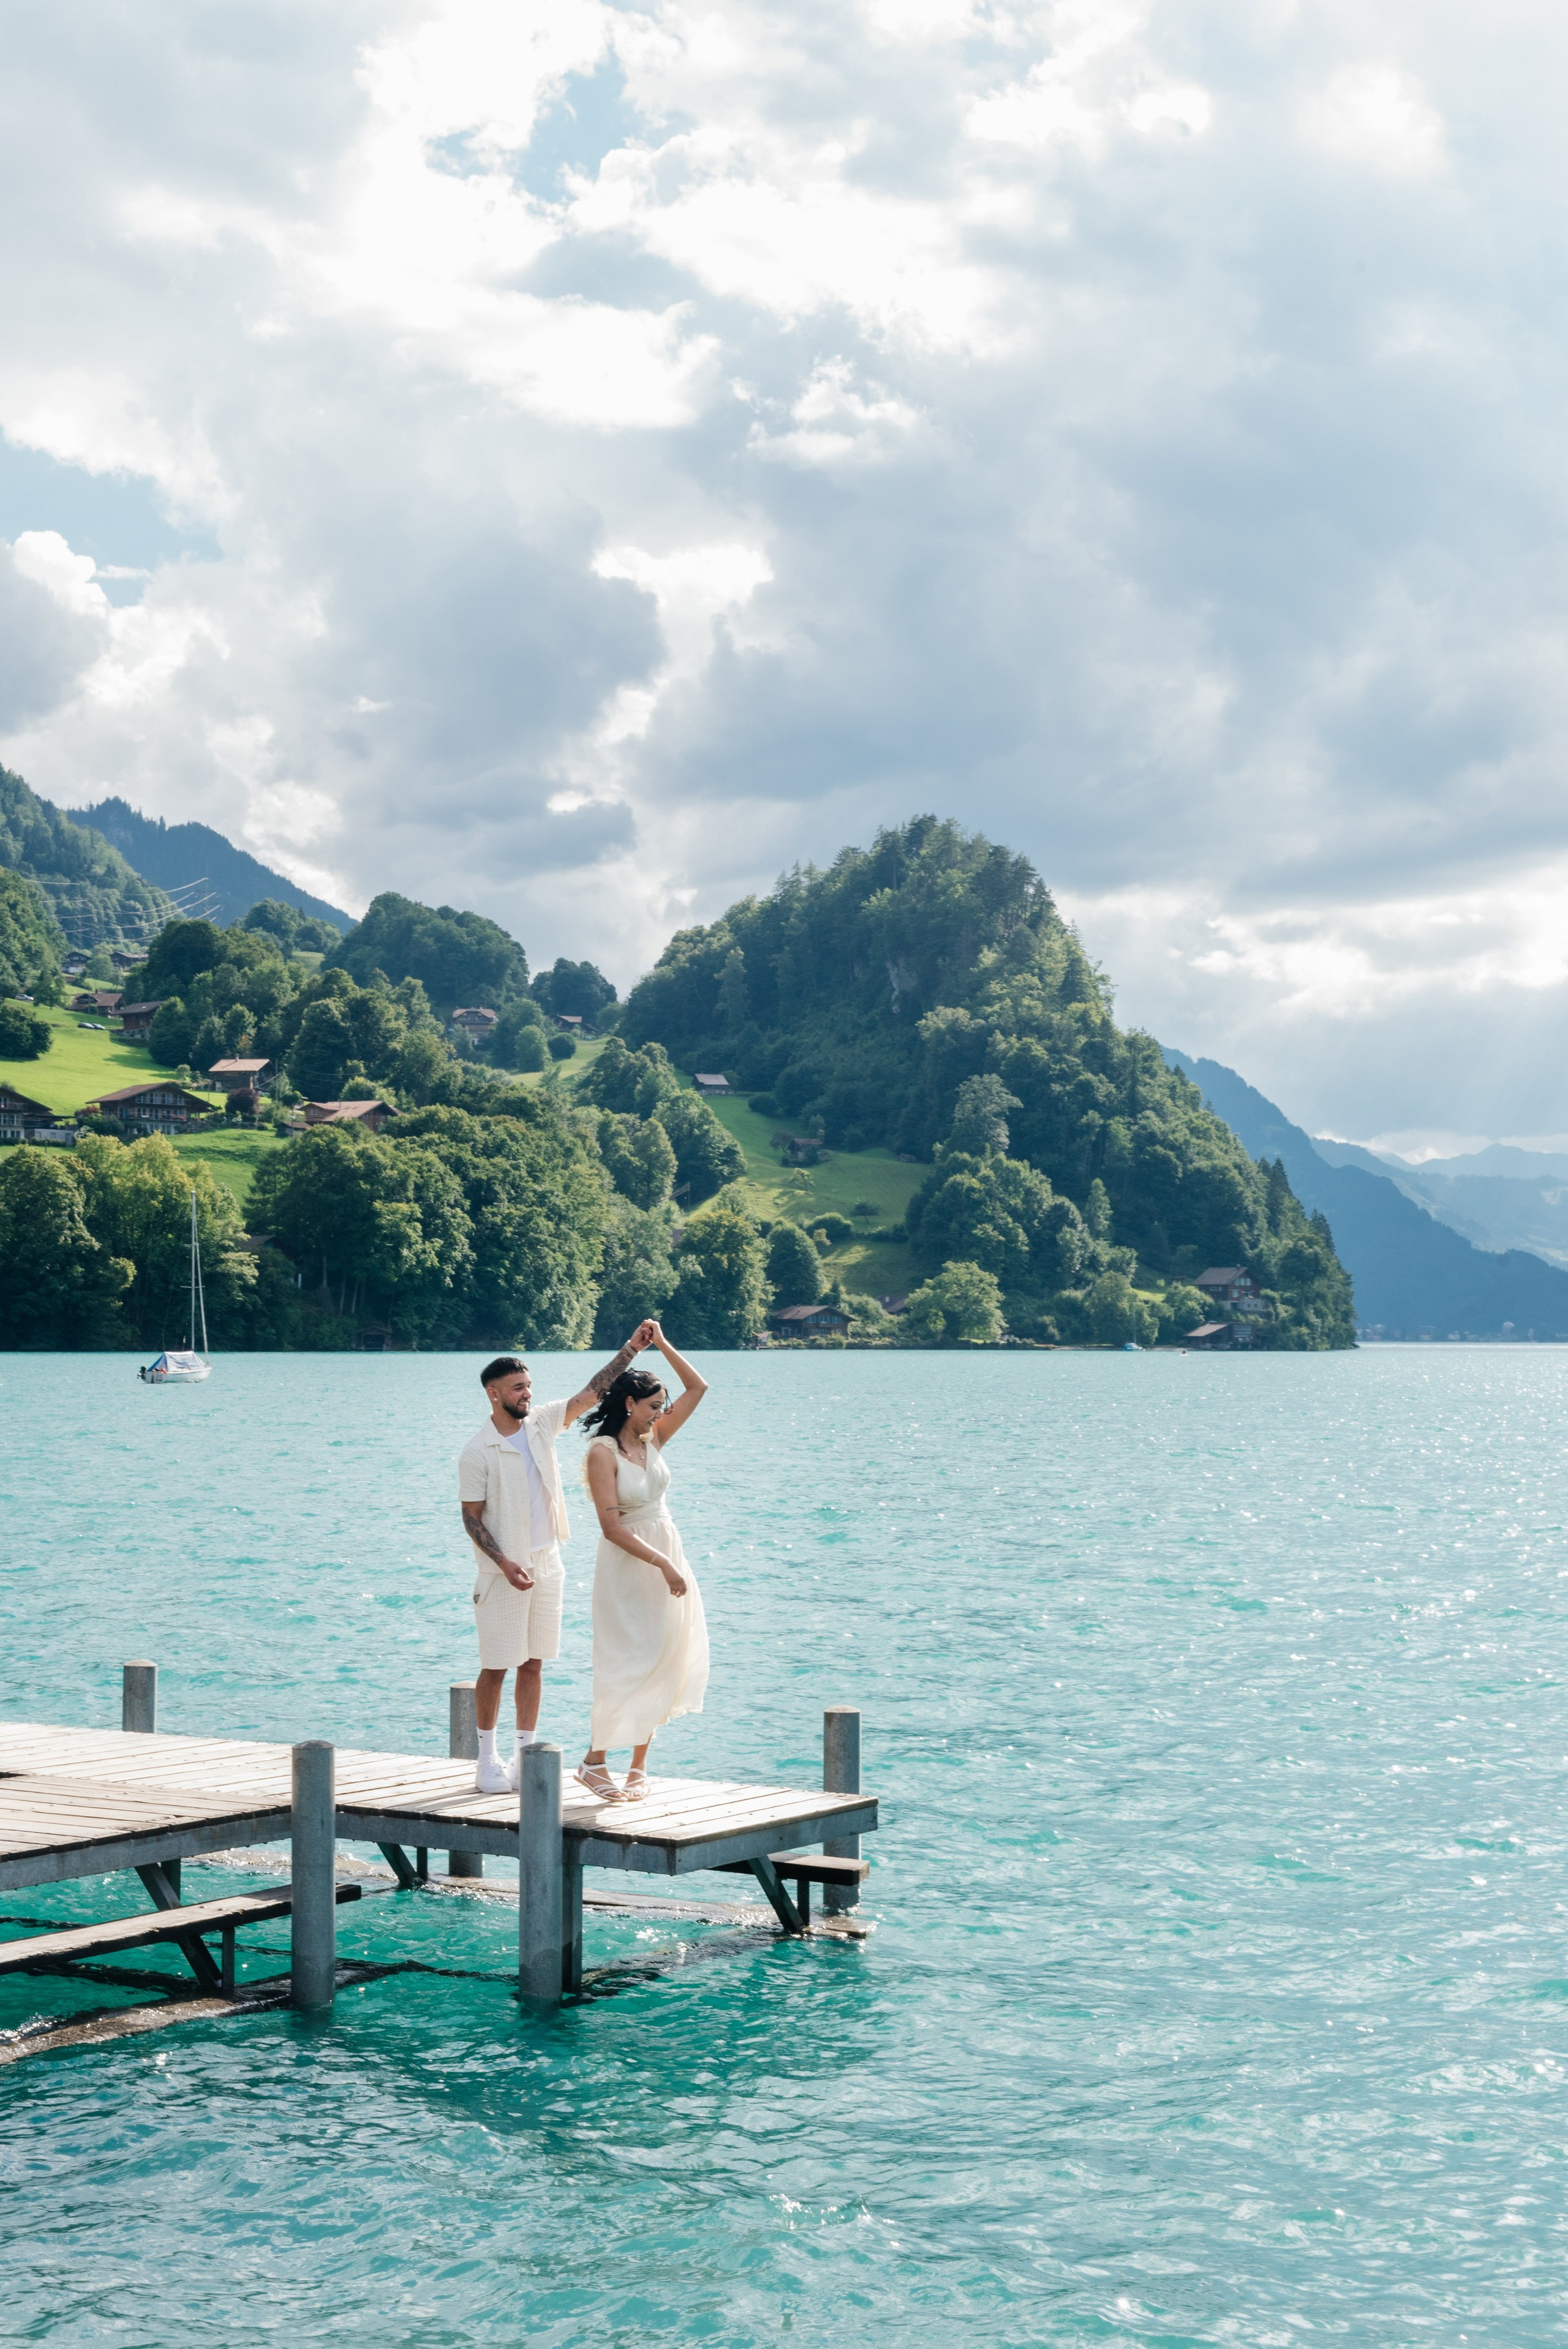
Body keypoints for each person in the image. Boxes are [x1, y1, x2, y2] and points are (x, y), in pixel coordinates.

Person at [459, 1322, 655, 1794]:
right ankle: (487, 1759)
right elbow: (471, 1518)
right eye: (518, 1387)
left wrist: (631, 1348)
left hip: (548, 1563)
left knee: (535, 1662)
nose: (528, 1393)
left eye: (529, 1385)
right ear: (494, 1393)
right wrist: (505, 1562)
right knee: (497, 1664)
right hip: (502, 1570)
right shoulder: (476, 1451)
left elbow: (594, 1391)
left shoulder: (544, 1421)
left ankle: (524, 1757)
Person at [576, 1322, 710, 1801]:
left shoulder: (654, 1438)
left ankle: (638, 1769)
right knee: (627, 1661)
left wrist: (663, 1344)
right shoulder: (602, 1452)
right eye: (653, 1405)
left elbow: (699, 1388)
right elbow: (612, 1528)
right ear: (629, 1404)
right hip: (632, 1564)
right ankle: (594, 1761)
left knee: (664, 1658)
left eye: (662, 1406)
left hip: (668, 1552)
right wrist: (664, 1566)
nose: (660, 1413)